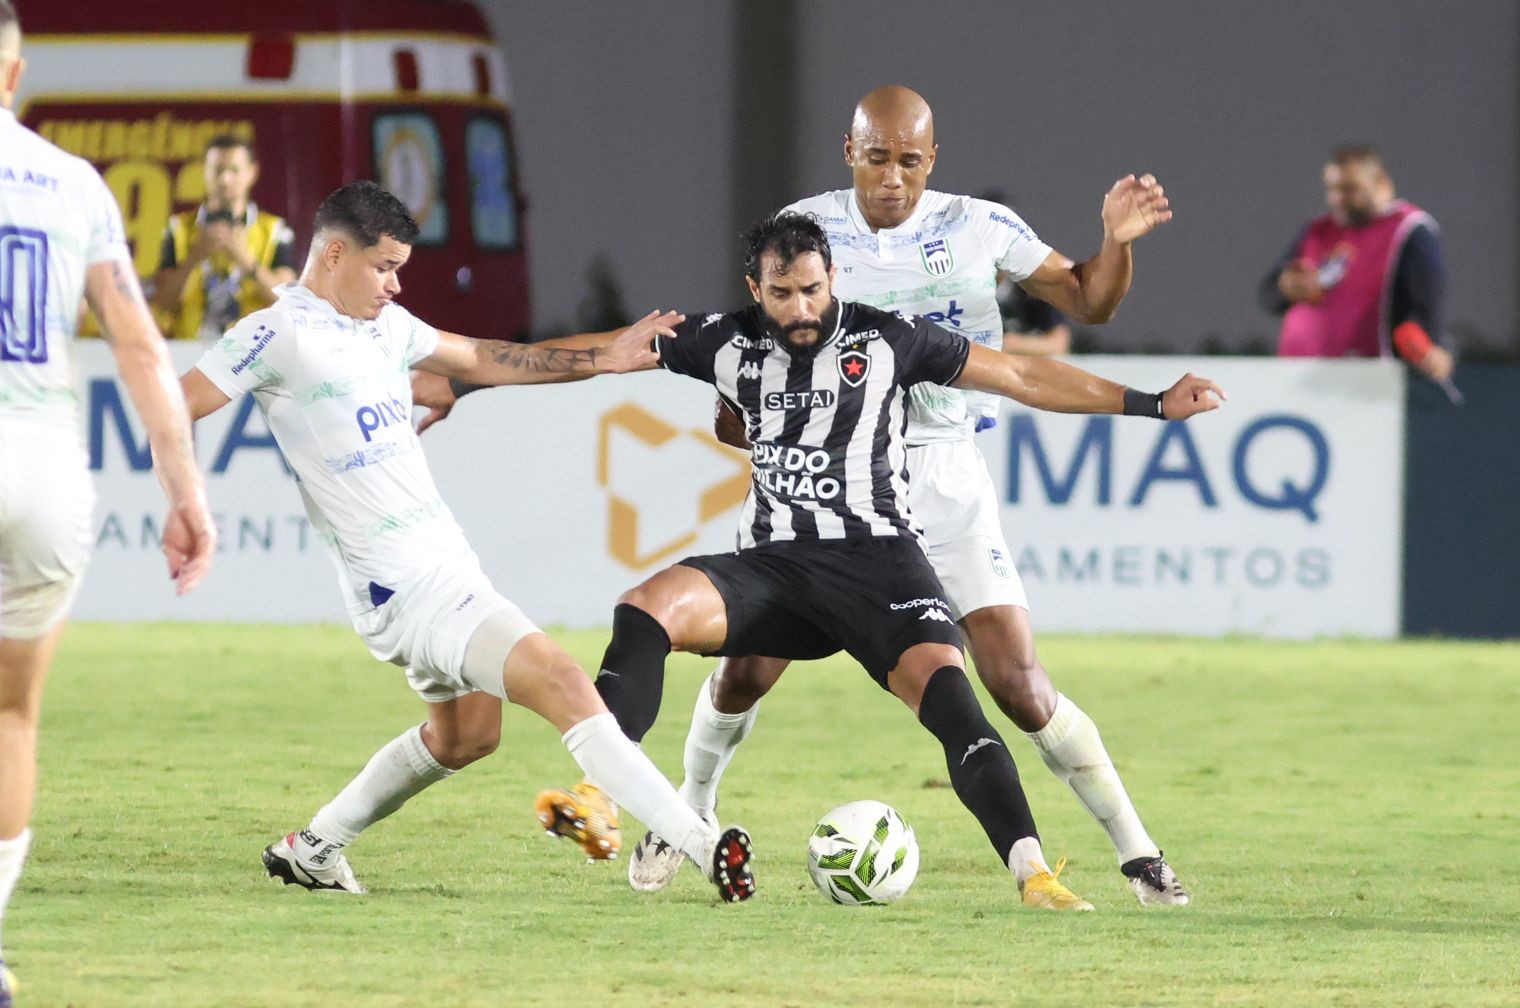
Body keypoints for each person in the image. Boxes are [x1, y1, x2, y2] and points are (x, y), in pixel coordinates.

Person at [533, 211, 1223, 910]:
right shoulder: (721, 340)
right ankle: (604, 792)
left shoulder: (889, 336)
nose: (800, 309)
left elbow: (1017, 374)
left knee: (957, 703)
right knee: (646, 608)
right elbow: (609, 349)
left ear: (832, 276)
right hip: (779, 566)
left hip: (880, 567)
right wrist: (467, 379)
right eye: (781, 294)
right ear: (755, 287)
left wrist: (1153, 404)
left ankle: (1034, 874)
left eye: (811, 289)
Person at [177, 181, 755, 903]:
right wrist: (185, 499)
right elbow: (175, 406)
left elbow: (486, 358)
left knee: (466, 738)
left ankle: (315, 847)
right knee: (567, 682)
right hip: (407, 587)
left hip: (439, 567)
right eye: (384, 267)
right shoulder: (279, 333)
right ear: (332, 254)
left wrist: (606, 355)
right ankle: (703, 846)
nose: (395, 284)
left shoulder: (386, 328)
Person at [0, 3, 218, 1002]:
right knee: (11, 712)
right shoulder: (73, 182)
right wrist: (185, 492)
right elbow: (138, 346)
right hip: (45, 469)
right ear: (14, 77)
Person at [1260, 144, 1453, 384]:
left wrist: (1434, 349)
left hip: (1366, 384)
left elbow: (1423, 310)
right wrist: (1284, 286)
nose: (1337, 198)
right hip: (1297, 378)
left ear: (1381, 183)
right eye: (1332, 189)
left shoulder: (1409, 230)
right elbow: (1269, 296)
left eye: (1350, 189)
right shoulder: (1317, 231)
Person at [151, 134, 299, 341]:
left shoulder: (274, 230)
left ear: (252, 173)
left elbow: (287, 302)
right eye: (218, 170)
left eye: (234, 170)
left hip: (252, 353)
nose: (225, 180)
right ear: (205, 171)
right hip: (189, 352)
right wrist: (194, 257)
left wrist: (244, 258)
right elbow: (161, 303)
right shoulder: (179, 228)